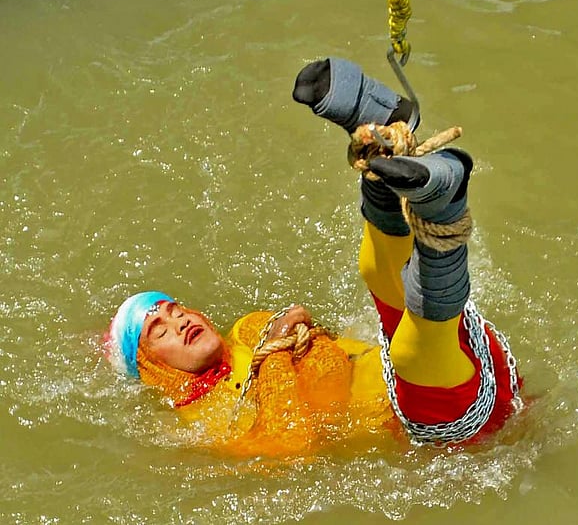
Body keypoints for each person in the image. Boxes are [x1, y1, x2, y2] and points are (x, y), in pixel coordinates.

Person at [104, 57, 522, 457]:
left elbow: (313, 357)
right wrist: (276, 355)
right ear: (151, 367)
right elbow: (292, 444)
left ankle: (380, 148)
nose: (179, 322)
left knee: (377, 276)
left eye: (174, 310)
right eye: (158, 331)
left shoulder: (248, 331)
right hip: (457, 426)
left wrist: (277, 354)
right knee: (410, 354)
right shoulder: (197, 424)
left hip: (450, 370)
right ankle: (442, 209)